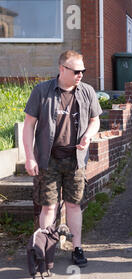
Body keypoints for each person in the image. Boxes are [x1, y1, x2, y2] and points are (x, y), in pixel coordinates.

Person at [23, 50, 102, 267]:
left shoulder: (87, 91)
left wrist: (88, 135)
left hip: (76, 160)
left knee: (74, 205)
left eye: (83, 71)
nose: (80, 75)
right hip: (48, 159)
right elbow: (29, 125)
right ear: (62, 69)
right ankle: (45, 250)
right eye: (76, 71)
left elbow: (95, 120)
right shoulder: (42, 91)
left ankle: (77, 248)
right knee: (48, 206)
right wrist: (30, 157)